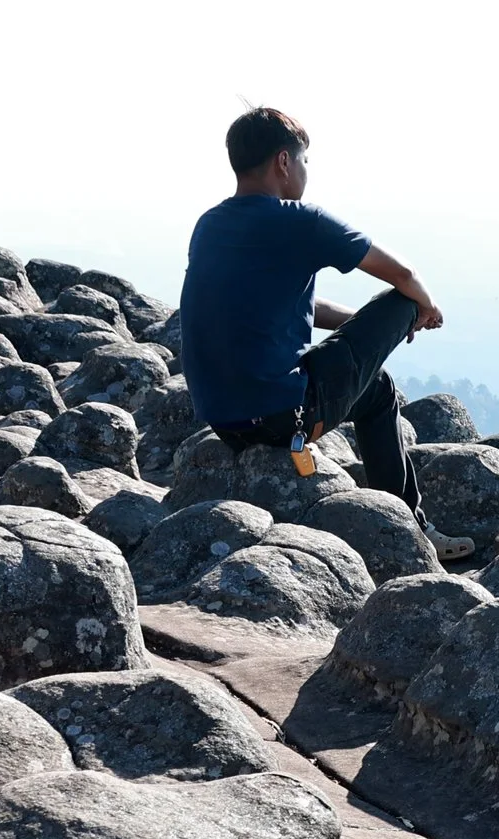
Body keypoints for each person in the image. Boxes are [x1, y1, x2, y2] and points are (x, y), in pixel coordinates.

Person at [177, 107, 470, 557]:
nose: (305, 172)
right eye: (304, 161)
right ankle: (412, 528)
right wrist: (423, 309)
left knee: (374, 390)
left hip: (224, 420)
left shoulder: (210, 225)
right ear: (283, 162)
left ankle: (407, 520)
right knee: (402, 302)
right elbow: (405, 275)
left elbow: (291, 306)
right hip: (280, 417)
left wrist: (363, 329)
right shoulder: (300, 220)